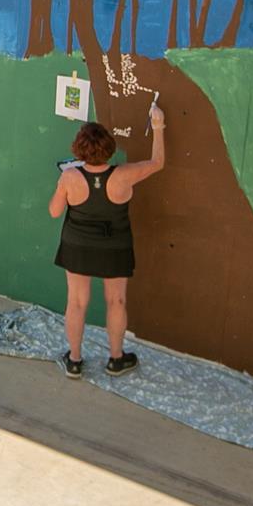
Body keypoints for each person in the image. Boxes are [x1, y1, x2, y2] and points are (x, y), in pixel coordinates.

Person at [47, 103, 166, 378]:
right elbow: (157, 162)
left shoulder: (70, 176)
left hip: (77, 246)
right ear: (109, 149)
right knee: (117, 302)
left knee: (76, 302)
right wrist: (158, 126)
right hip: (115, 247)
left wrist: (62, 186)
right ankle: (116, 359)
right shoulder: (124, 175)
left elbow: (54, 212)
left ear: (79, 149)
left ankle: (74, 360)